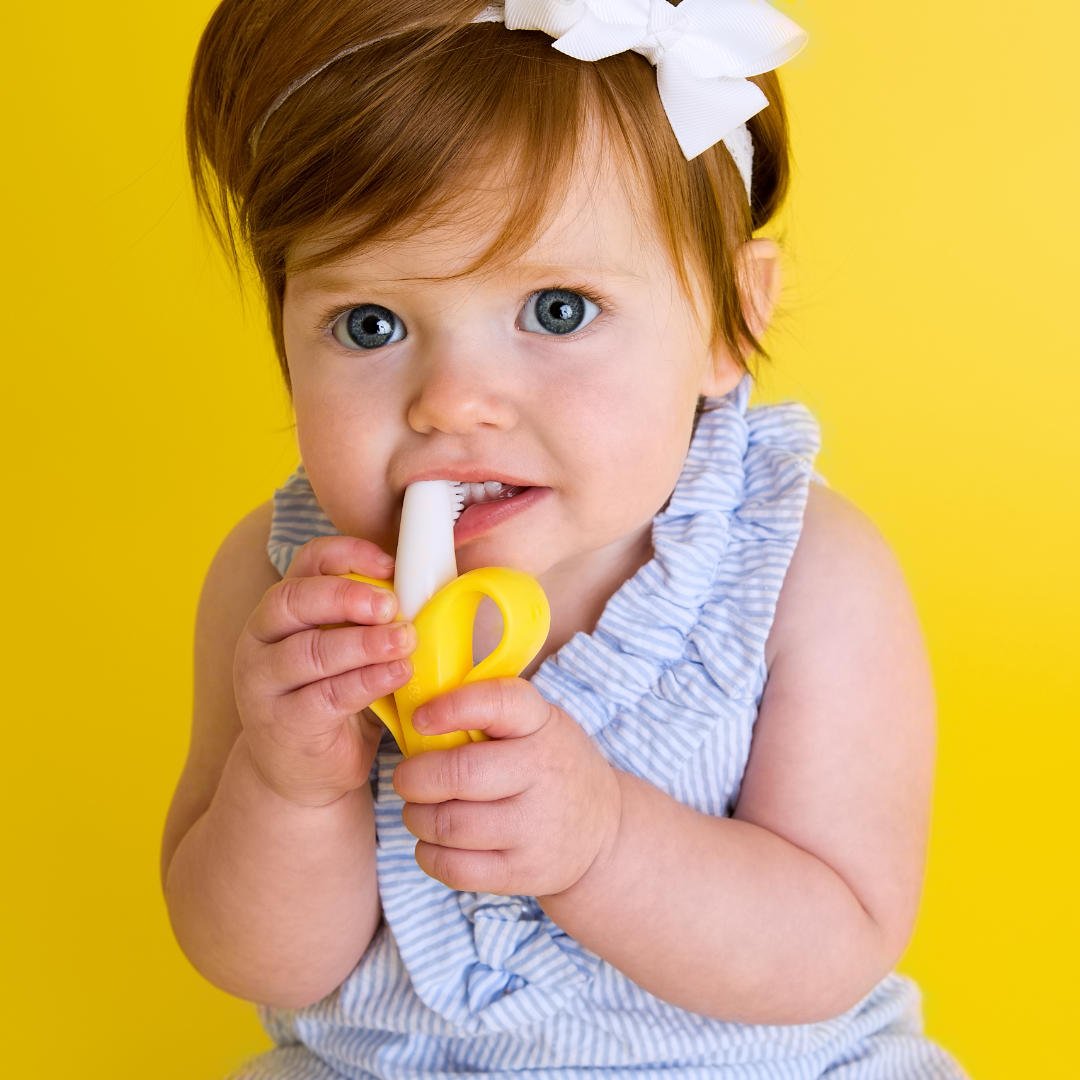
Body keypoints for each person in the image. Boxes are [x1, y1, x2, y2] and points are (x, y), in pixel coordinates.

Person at [160, 2, 970, 1076]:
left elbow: (837, 937)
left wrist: (604, 845)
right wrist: (288, 787)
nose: (452, 402)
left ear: (734, 320)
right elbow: (260, 964)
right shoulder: (281, 589)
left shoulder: (802, 573)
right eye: (370, 325)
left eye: (555, 310)